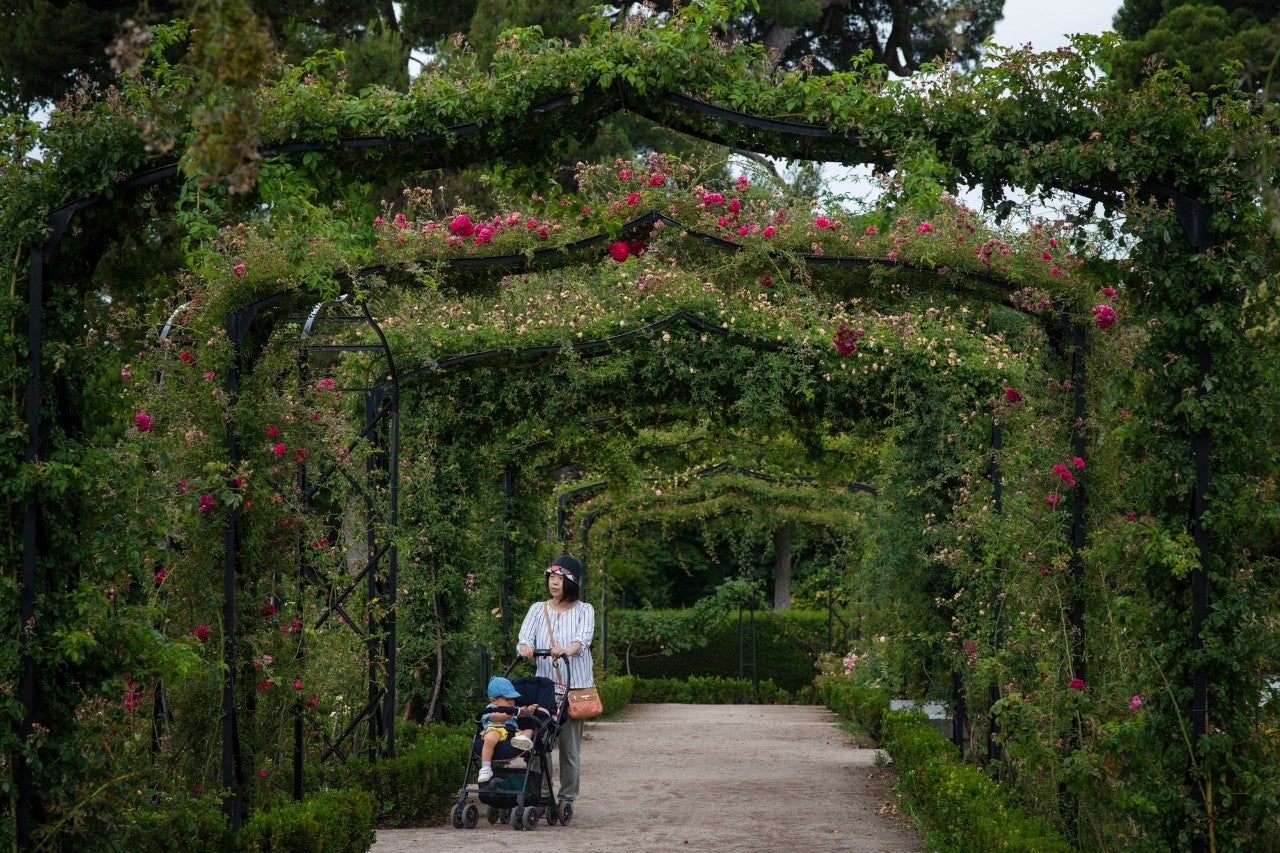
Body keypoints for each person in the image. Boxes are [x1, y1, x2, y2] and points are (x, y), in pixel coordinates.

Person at [517, 553, 595, 808]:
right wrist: (526, 648)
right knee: (538, 744)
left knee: (569, 750)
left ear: (570, 582)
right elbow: (524, 639)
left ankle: (567, 798)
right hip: (544, 690)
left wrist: (565, 650)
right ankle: (541, 793)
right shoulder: (537, 610)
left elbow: (582, 641)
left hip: (573, 689)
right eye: (551, 577)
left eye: (559, 579)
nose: (554, 583)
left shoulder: (585, 611)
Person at [476, 675, 537, 784]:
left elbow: (522, 712)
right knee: (490, 737)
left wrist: (528, 710)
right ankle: (486, 768)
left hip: (512, 733)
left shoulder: (513, 709)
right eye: (507, 699)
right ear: (493, 700)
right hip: (496, 729)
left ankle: (522, 740)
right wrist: (511, 713)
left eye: (513, 699)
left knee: (529, 730)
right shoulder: (490, 709)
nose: (511, 702)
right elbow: (496, 717)